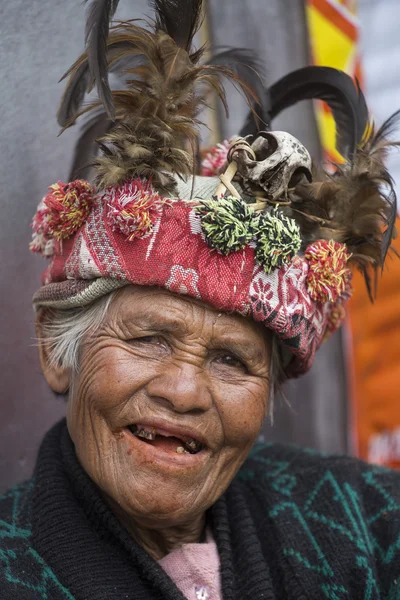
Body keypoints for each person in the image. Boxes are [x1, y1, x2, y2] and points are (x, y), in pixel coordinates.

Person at [1, 1, 400, 598]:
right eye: (149, 338)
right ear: (58, 353)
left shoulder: (370, 519)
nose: (184, 392)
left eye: (233, 360)